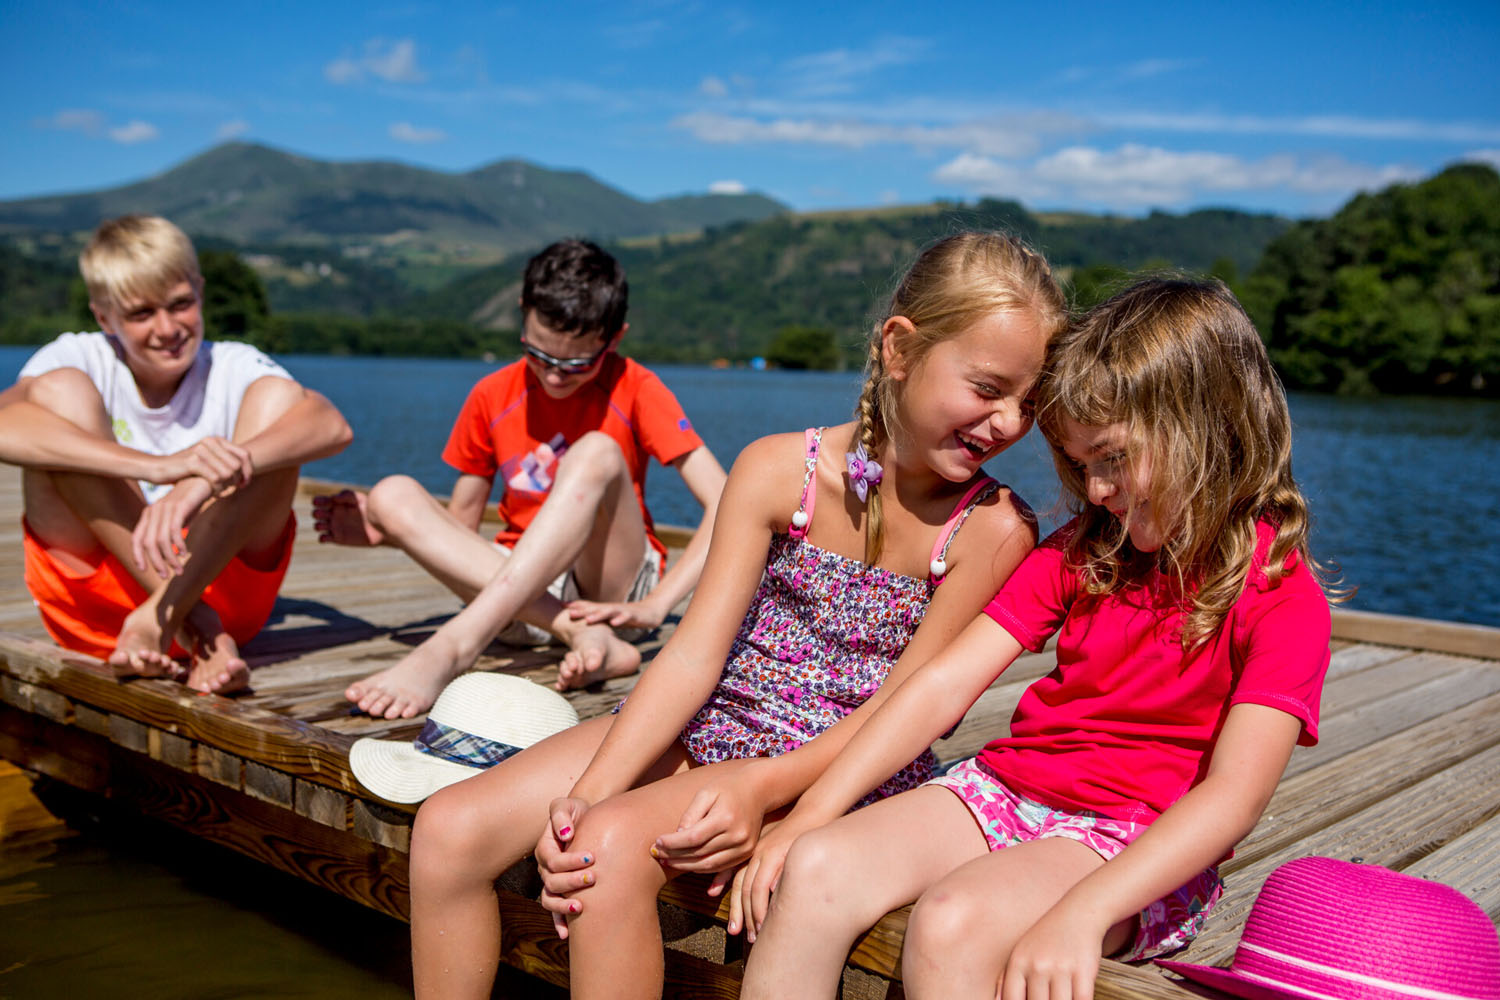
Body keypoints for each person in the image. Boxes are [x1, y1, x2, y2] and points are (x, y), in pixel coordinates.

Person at [406, 232, 1067, 1000]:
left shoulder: (991, 530)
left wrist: (759, 789)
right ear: (899, 349)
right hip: (714, 721)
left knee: (604, 852)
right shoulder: (776, 470)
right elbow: (691, 659)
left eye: (1029, 401)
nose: (1008, 423)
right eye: (988, 388)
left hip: (838, 765)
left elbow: (904, 713)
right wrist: (590, 788)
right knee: (449, 829)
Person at [737, 277, 1339, 1000]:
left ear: (1207, 426)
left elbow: (1232, 799)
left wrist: (1087, 911)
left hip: (1135, 843)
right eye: (1081, 466)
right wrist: (809, 813)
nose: (1094, 491)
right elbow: (940, 687)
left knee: (954, 921)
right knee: (815, 865)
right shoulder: (1086, 550)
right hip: (1003, 791)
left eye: (1111, 458)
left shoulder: (1282, 597)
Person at [315, 239, 727, 717]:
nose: (554, 377)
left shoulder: (636, 387)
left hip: (610, 596)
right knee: (390, 494)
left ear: (614, 339)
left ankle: (454, 647)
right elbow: (461, 528)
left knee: (596, 450)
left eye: (576, 364)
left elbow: (727, 502)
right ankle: (578, 634)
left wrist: (658, 605)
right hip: (523, 605)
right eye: (539, 355)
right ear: (522, 314)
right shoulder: (491, 394)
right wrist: (394, 534)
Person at [0, 214, 352, 694]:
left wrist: (199, 481)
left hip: (219, 587)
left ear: (200, 292)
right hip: (103, 614)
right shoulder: (77, 357)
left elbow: (332, 425)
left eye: (180, 305)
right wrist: (157, 467)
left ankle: (168, 612)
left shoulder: (232, 365)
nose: (167, 328)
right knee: (57, 401)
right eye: (141, 314)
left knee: (280, 411)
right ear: (104, 318)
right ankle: (195, 623)